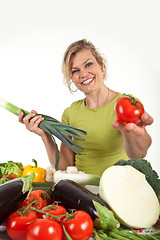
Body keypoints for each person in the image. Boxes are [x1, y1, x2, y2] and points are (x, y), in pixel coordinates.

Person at [19, 39, 153, 176]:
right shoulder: (71, 113)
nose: (83, 74)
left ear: (101, 64)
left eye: (88, 64)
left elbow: (139, 154)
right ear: (72, 77)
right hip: (81, 193)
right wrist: (45, 136)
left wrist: (131, 133)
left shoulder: (126, 104)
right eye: (75, 70)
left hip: (119, 189)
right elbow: (64, 167)